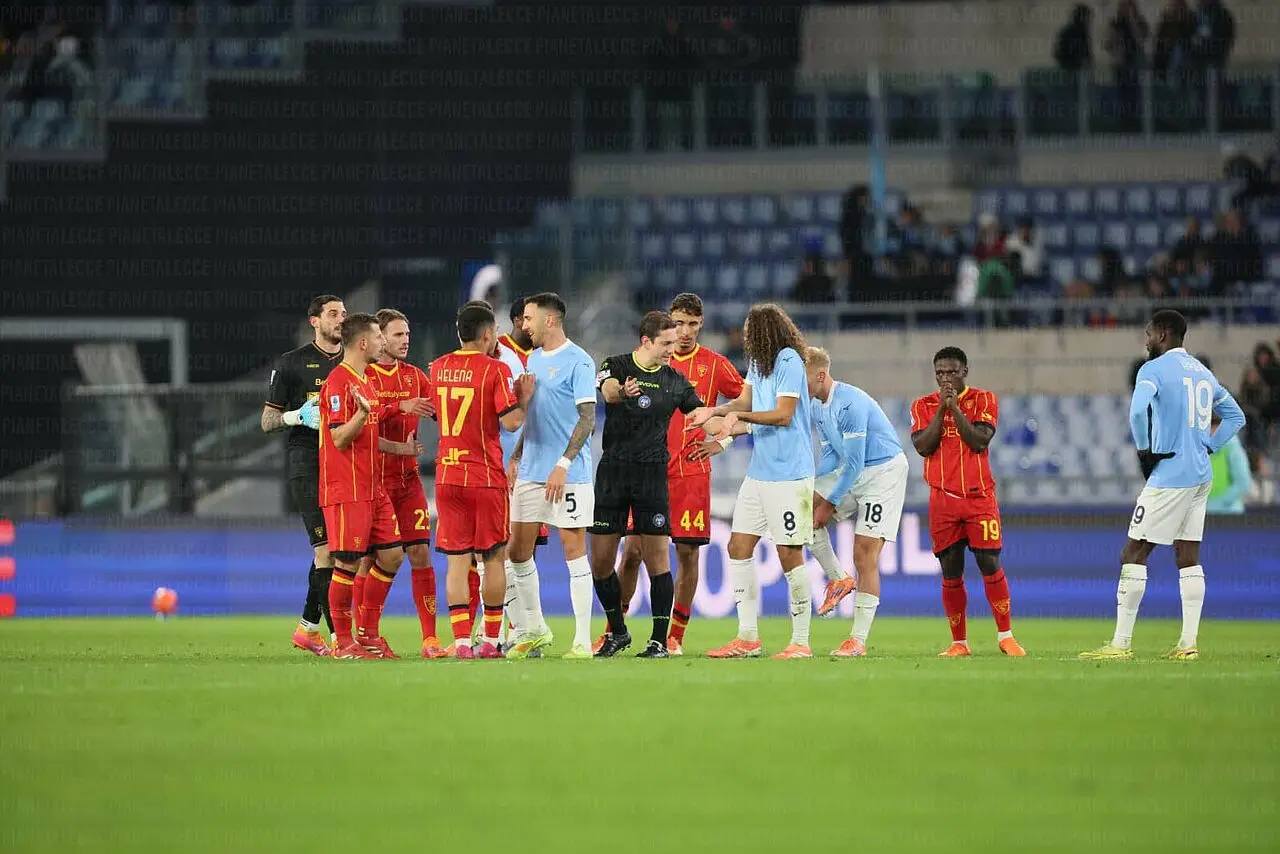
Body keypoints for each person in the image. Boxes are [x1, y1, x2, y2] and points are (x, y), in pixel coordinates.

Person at [1081, 310, 1246, 660]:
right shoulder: (1203, 373)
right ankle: (1188, 644)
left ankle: (1120, 644)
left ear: (1164, 334)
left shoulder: (1152, 370)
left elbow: (1138, 411)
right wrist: (1211, 446)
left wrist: (1144, 451)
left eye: (1149, 333)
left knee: (1133, 552)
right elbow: (1236, 416)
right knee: (1188, 556)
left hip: (1170, 474)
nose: (1145, 340)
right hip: (1201, 475)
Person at [602, 292, 745, 656]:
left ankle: (674, 636)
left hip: (690, 471)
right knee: (632, 551)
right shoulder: (647, 364)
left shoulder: (714, 365)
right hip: (647, 471)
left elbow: (750, 405)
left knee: (687, 553)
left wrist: (723, 442)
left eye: (693, 324)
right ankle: (612, 631)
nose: (685, 332)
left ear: (701, 325)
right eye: (679, 323)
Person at [688, 303, 815, 659]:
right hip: (760, 473)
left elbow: (784, 415)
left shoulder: (788, 360)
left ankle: (801, 642)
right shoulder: (758, 365)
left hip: (791, 475)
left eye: (749, 330)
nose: (744, 336)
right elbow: (743, 400)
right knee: (738, 547)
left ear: (764, 331)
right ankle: (747, 638)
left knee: (789, 553)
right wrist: (712, 411)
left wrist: (735, 419)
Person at [591, 311, 707, 658]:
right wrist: (622, 391)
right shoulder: (617, 364)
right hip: (613, 472)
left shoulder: (675, 381)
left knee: (658, 560)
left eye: (674, 342)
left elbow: (700, 414)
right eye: (666, 343)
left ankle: (659, 640)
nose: (674, 348)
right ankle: (619, 631)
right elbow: (608, 391)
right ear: (646, 341)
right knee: (600, 562)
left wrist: (726, 424)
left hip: (652, 475)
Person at [430, 303, 534, 659]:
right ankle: (490, 641)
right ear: (488, 335)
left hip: (447, 475)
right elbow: (511, 423)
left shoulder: (438, 368)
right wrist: (525, 399)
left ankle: (460, 643)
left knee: (456, 561)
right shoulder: (495, 369)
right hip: (485, 475)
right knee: (492, 558)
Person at [910, 347, 1026, 657]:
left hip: (979, 499)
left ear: (965, 371)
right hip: (943, 502)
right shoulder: (922, 405)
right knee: (951, 571)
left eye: (951, 372)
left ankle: (1006, 635)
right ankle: (959, 643)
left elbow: (978, 441)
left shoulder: (984, 400)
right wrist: (941, 411)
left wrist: (955, 409)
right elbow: (923, 446)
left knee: (989, 563)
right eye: (940, 373)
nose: (945, 378)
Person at [505, 293, 598, 659]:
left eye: (528, 318)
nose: (523, 325)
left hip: (569, 474)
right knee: (517, 552)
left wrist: (563, 463)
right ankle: (535, 630)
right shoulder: (533, 359)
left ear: (550, 320)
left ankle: (581, 641)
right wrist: (515, 455)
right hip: (530, 471)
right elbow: (534, 417)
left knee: (574, 553)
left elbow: (587, 419)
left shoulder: (580, 361)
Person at [319, 314, 413, 659]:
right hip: (347, 489)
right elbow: (339, 438)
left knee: (392, 555)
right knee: (346, 563)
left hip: (373, 488)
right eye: (378, 338)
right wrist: (360, 415)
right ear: (362, 343)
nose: (383, 343)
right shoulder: (338, 382)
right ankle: (342, 643)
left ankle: (368, 634)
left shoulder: (365, 381)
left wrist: (397, 448)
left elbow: (368, 438)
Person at [805, 347, 908, 656]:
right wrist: (816, 492)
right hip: (856, 469)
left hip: (882, 472)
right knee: (801, 510)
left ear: (821, 375)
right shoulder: (817, 406)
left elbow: (853, 463)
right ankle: (839, 579)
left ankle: (857, 641)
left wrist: (828, 504)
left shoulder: (849, 403)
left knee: (864, 552)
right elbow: (831, 456)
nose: (800, 387)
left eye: (804, 380)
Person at [261, 294, 345, 657]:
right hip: (307, 464)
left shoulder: (354, 362)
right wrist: (297, 416)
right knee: (326, 550)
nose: (340, 319)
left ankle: (308, 629)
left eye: (344, 314)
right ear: (314, 321)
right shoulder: (292, 364)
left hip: (344, 467)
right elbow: (266, 422)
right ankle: (341, 637)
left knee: (341, 553)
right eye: (332, 314)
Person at [367, 309, 443, 658]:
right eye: (398, 335)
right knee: (372, 561)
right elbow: (361, 427)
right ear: (380, 338)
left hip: (408, 479)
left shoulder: (415, 376)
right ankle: (366, 635)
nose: (406, 340)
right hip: (373, 482)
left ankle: (430, 639)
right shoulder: (364, 376)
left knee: (420, 552)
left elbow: (442, 408)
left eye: (407, 333)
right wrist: (400, 406)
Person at [1206, 411, 1253, 515]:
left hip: (1229, 515)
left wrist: (1214, 504)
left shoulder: (1232, 447)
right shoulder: (1201, 448)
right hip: (1204, 514)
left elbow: (1243, 483)